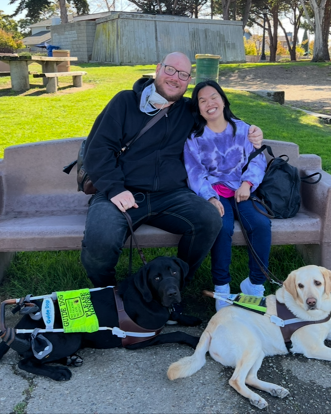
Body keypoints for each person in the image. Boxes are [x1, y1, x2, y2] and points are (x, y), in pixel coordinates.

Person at [80, 52, 264, 297]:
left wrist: (252, 131)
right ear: (158, 69)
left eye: (183, 74)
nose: (175, 78)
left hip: (170, 194)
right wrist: (115, 188)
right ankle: (111, 294)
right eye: (170, 70)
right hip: (121, 191)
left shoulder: (188, 109)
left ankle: (174, 289)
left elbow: (218, 115)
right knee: (99, 241)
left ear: (188, 81)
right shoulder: (124, 102)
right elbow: (98, 149)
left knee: (209, 219)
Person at [183, 80, 271, 311]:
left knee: (260, 224)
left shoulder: (243, 130)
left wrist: (247, 183)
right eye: (202, 100)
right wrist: (210, 197)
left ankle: (255, 285)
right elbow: (195, 173)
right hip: (214, 192)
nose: (209, 103)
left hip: (242, 190)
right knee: (222, 227)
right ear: (198, 108)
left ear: (223, 100)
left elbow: (257, 160)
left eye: (214, 97)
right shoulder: (194, 138)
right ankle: (222, 287)